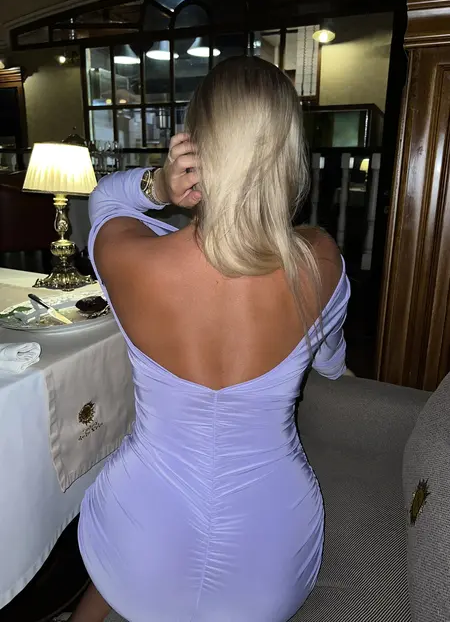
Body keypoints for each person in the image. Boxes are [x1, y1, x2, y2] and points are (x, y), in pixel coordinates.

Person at [72, 56, 350, 622]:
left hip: (140, 542)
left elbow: (104, 201)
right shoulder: (320, 260)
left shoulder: (134, 261)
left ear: (196, 148)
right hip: (268, 566)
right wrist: (330, 362)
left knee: (128, 565)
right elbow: (330, 360)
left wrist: (158, 186)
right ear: (289, 153)